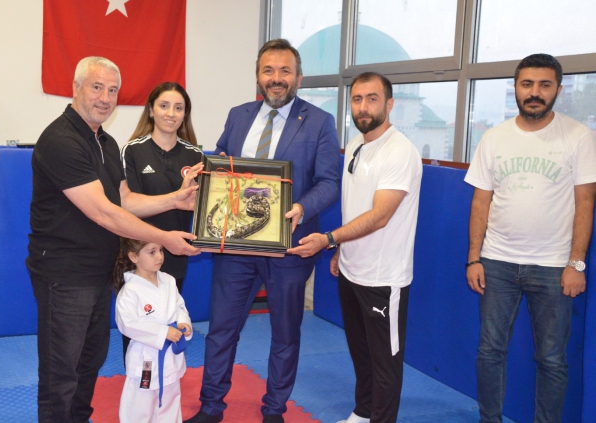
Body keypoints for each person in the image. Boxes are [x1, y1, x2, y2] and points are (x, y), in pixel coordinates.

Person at [26, 56, 200, 423]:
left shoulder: (105, 141)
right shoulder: (61, 140)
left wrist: (174, 199)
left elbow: (124, 200)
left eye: (113, 90)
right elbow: (104, 213)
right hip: (64, 275)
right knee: (61, 373)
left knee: (90, 362)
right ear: (76, 88)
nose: (105, 98)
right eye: (97, 87)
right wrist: (164, 238)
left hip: (100, 271)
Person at [184, 39, 340, 423]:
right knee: (221, 329)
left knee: (285, 333)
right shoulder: (238, 115)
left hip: (288, 247)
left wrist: (302, 208)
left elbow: (329, 182)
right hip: (237, 243)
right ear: (258, 76)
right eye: (268, 70)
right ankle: (211, 407)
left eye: (285, 71)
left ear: (299, 77)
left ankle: (274, 409)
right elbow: (221, 161)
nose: (276, 78)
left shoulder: (320, 121)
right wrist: (204, 172)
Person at [465, 53, 596, 422]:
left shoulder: (578, 136)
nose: (534, 92)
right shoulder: (494, 137)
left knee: (552, 358)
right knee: (490, 351)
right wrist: (474, 257)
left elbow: (586, 203)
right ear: (516, 88)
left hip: (554, 267)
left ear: (558, 89)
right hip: (497, 262)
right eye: (527, 84)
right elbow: (480, 202)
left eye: (544, 85)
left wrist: (576, 263)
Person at [291, 72, 422, 423]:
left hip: (384, 277)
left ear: (389, 104)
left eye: (372, 98)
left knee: (385, 363)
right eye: (357, 99)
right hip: (352, 269)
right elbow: (357, 207)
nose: (363, 107)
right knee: (361, 352)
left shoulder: (399, 151)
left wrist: (330, 239)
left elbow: (380, 215)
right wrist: (341, 250)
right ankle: (363, 413)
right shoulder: (355, 144)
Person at [120, 82, 203, 359]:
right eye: (164, 106)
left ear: (185, 114)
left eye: (178, 108)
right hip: (139, 252)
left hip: (175, 251)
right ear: (151, 110)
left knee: (171, 322)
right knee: (138, 326)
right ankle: (137, 380)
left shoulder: (195, 156)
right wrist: (174, 198)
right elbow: (127, 204)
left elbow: (202, 206)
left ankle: (165, 381)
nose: (171, 113)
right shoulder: (132, 150)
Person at [114, 238, 193, 423]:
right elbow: (127, 323)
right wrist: (163, 332)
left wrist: (183, 323)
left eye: (161, 250)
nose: (159, 257)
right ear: (134, 257)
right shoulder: (131, 290)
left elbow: (179, 307)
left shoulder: (168, 280)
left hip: (170, 355)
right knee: (139, 407)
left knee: (170, 400)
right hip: (145, 359)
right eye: (152, 252)